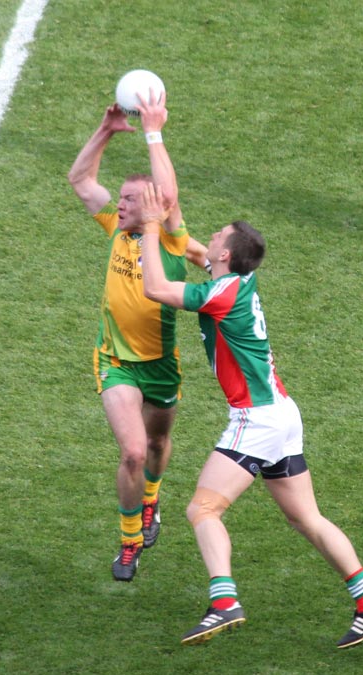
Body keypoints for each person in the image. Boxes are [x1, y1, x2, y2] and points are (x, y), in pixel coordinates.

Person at [138, 182, 363, 648]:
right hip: (282, 413)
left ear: (228, 255)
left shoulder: (220, 294)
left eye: (219, 234)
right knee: (307, 518)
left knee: (203, 508)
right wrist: (160, 165)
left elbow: (155, 286)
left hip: (255, 419)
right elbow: (193, 248)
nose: (210, 237)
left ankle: (224, 602)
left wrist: (151, 226)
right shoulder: (238, 280)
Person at [67, 92, 208, 582]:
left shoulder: (168, 236)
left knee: (158, 442)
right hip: (116, 363)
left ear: (150, 205)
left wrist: (155, 132)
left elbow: (168, 196)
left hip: (161, 364)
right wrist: (105, 130)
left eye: (129, 199)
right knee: (132, 450)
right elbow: (81, 180)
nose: (118, 202)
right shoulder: (116, 228)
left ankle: (151, 500)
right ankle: (129, 540)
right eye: (121, 198)